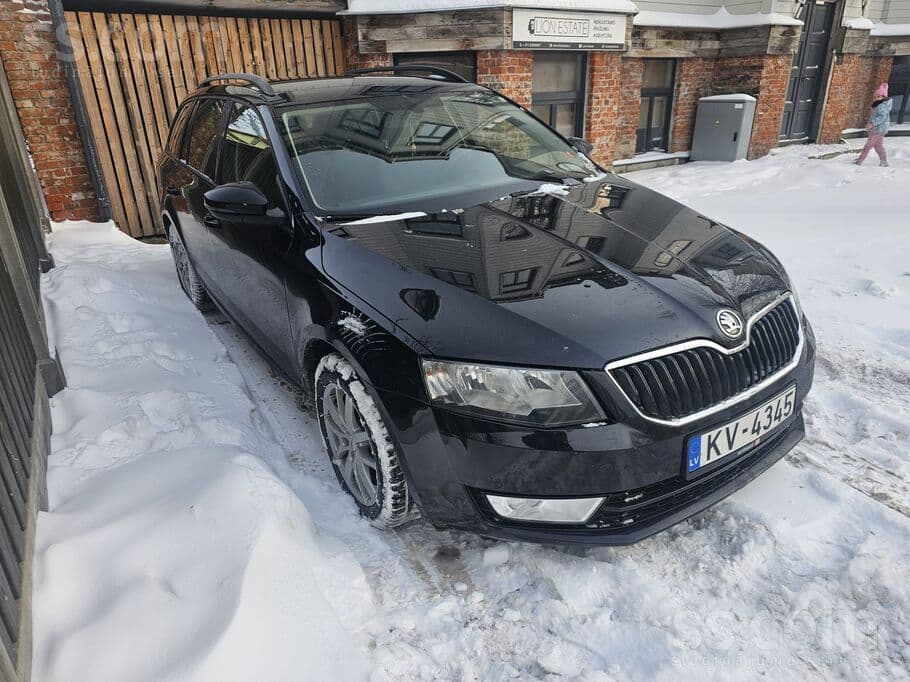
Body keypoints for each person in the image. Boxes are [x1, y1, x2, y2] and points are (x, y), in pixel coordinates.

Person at [855, 83, 893, 167]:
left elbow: (881, 117)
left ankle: (859, 161)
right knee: (878, 146)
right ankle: (884, 161)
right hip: (879, 130)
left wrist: (872, 123)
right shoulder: (881, 105)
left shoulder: (882, 106)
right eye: (875, 96)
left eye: (878, 96)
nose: (876, 98)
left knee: (867, 146)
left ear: (883, 97)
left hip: (877, 130)